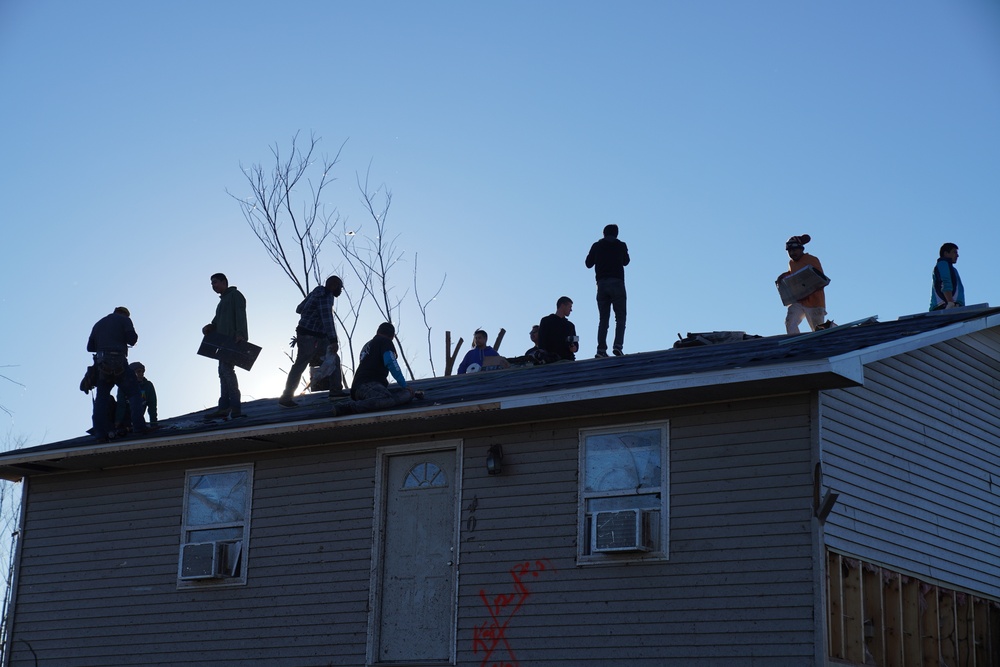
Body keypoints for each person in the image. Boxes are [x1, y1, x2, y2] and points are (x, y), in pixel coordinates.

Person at [278, 276, 344, 407]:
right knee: (302, 364)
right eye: (340, 287)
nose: (340, 290)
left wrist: (310, 315)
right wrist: (334, 340)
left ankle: (335, 392)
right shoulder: (326, 296)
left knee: (332, 359)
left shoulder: (316, 291)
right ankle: (286, 397)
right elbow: (328, 319)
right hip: (311, 336)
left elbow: (299, 308)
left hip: (309, 334)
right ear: (334, 285)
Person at [86, 307, 147, 441]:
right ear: (125, 314)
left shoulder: (99, 323)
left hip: (102, 365)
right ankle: (139, 427)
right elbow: (132, 339)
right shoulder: (124, 320)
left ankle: (100, 433)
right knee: (134, 393)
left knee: (101, 398)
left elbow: (90, 347)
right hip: (118, 361)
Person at [334, 322, 420, 416]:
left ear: (378, 331)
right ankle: (348, 408)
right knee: (387, 398)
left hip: (358, 388)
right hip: (368, 384)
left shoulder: (369, 344)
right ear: (392, 337)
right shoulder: (384, 341)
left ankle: (412, 394)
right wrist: (404, 384)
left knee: (404, 394)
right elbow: (390, 362)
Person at [202, 273, 248, 419]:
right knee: (222, 372)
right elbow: (216, 322)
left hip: (233, 341)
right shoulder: (221, 303)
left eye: (215, 282)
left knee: (227, 372)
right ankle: (224, 407)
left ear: (224, 282)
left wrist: (240, 334)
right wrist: (209, 327)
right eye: (211, 283)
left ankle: (235, 408)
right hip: (222, 343)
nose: (213, 286)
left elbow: (240, 315)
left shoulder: (235, 295)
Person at [585, 224, 630, 357]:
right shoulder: (621, 245)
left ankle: (601, 350)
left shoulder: (596, 246)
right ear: (616, 234)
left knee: (603, 319)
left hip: (602, 284)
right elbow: (626, 262)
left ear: (603, 233)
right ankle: (617, 346)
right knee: (620, 317)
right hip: (617, 283)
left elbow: (588, 263)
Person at [777, 234, 827, 335]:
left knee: (818, 330)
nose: (792, 253)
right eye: (789, 251)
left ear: (801, 249)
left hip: (815, 302)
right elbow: (793, 273)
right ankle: (795, 342)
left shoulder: (812, 259)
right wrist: (784, 275)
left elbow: (820, 278)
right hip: (799, 300)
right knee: (790, 321)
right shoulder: (791, 263)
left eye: (794, 250)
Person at [115, 362, 157, 432]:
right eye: (138, 371)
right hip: (124, 419)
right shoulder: (123, 386)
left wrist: (154, 424)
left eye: (142, 371)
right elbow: (121, 405)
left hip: (137, 420)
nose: (141, 374)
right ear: (131, 374)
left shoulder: (148, 386)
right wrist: (117, 421)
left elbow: (152, 406)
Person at [536, 296, 578, 362]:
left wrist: (574, 348)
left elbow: (576, 345)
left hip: (568, 361)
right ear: (563, 305)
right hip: (550, 362)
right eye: (569, 307)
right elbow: (541, 342)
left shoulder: (570, 326)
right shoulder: (546, 321)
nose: (571, 310)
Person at [930, 243, 964, 311]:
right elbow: (945, 282)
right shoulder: (943, 264)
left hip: (950, 306)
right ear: (946, 253)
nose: (957, 255)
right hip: (944, 306)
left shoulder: (951, 269)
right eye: (954, 252)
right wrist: (950, 302)